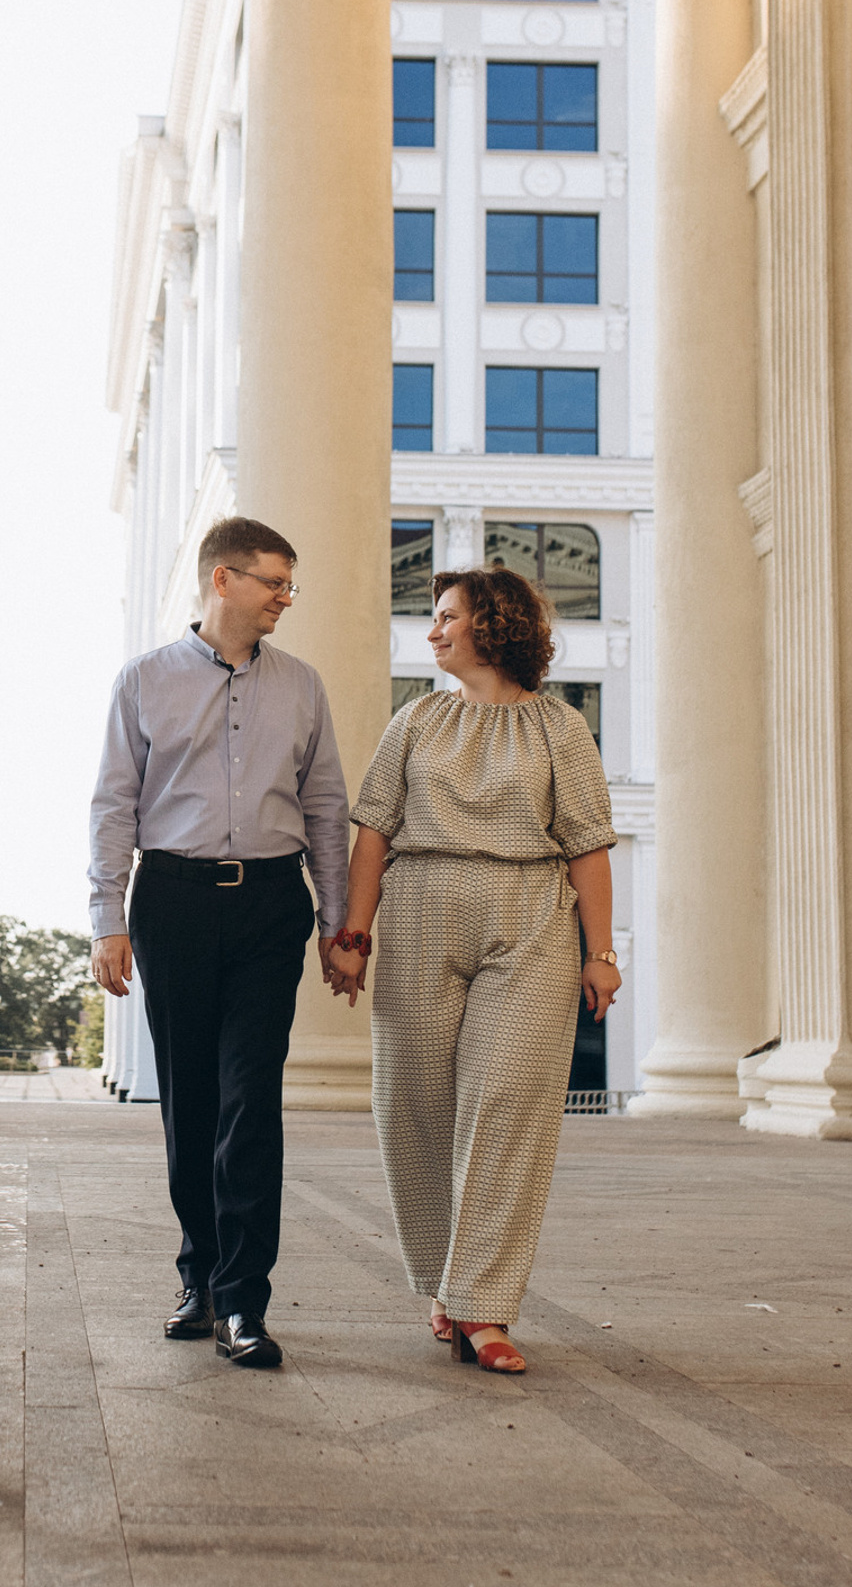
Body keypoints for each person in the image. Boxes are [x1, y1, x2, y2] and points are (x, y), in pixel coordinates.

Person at [325, 565, 620, 1376]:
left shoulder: (561, 728)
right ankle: (445, 1282)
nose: (433, 631)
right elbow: (374, 835)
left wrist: (601, 953)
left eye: (447, 616)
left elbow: (589, 845)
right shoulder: (414, 720)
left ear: (494, 625)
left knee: (507, 1103)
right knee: (413, 1105)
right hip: (420, 908)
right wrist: (354, 933)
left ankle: (482, 1305)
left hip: (528, 920)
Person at [89, 516, 349, 1370]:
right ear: (223, 580)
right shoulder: (144, 681)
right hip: (173, 901)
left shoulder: (303, 687)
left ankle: (244, 1300)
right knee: (190, 1102)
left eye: (289, 584)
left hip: (270, 903)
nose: (284, 597)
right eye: (273, 581)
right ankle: (199, 1277)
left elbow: (324, 812)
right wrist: (109, 921)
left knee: (250, 1100)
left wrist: (337, 924)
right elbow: (114, 806)